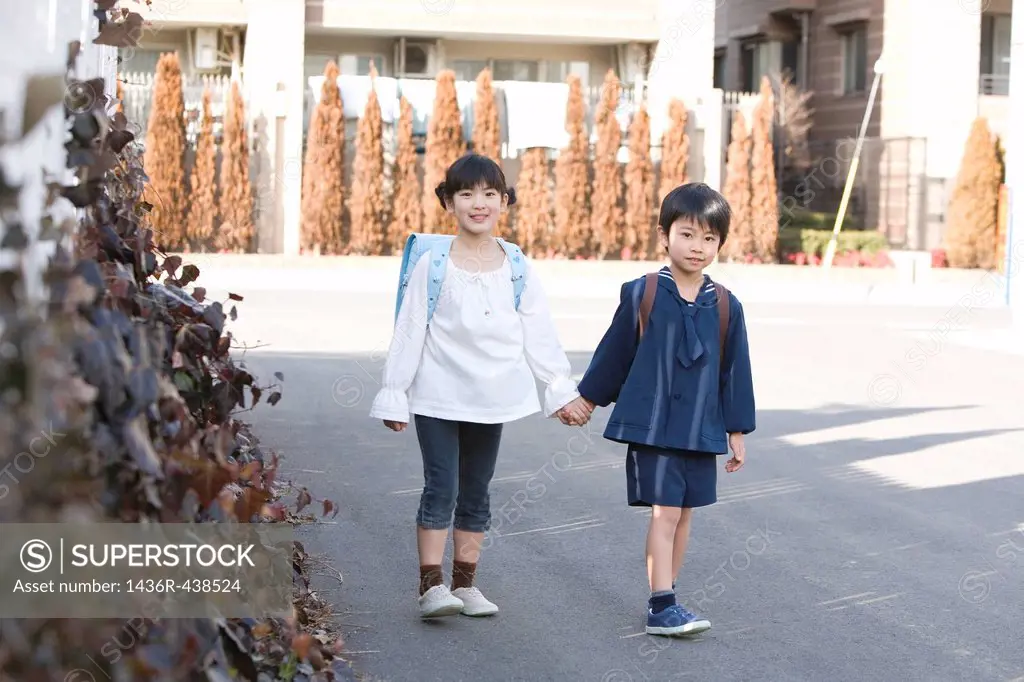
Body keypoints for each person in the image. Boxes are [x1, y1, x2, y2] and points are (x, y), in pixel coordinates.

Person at [369, 153, 591, 619]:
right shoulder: (432, 264)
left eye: (490, 194)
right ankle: (432, 586)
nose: (479, 203)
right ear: (448, 201)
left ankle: (465, 585)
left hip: (490, 399)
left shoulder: (515, 264)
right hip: (436, 395)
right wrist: (395, 393)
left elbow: (539, 330)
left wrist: (559, 390)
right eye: (467, 193)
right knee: (441, 487)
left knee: (477, 490)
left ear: (504, 202)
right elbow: (409, 331)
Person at [561, 182, 756, 637]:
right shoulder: (643, 292)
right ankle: (661, 606)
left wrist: (737, 430)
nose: (698, 247)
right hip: (655, 426)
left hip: (700, 428)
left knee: (685, 511)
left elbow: (735, 370)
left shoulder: (726, 305)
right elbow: (615, 351)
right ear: (664, 235)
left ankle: (668, 593)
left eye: (710, 239)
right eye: (687, 234)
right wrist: (586, 398)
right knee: (665, 510)